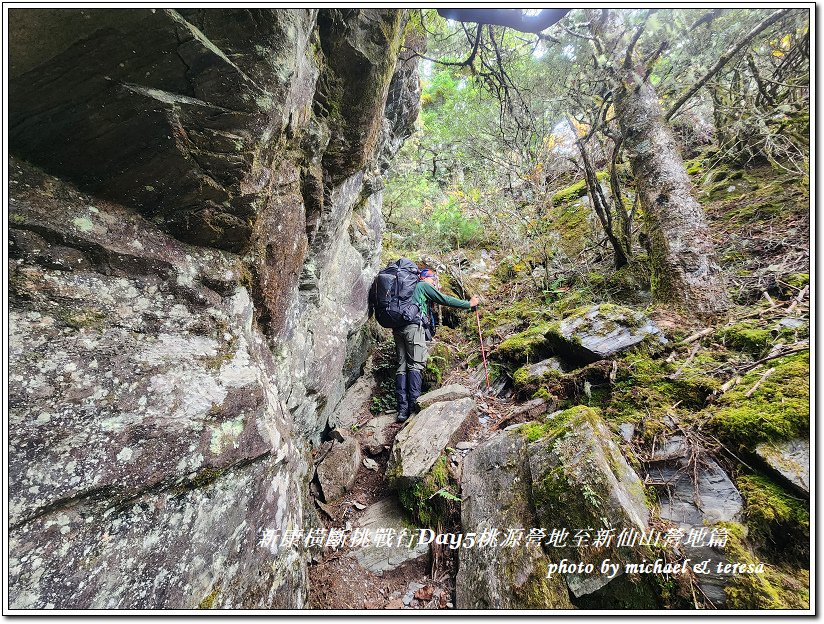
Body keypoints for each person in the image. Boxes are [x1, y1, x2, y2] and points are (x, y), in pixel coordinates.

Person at [392, 268, 479, 423]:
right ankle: (414, 406)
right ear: (425, 278)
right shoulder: (422, 286)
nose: (434, 282)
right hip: (413, 327)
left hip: (398, 328)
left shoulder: (406, 289)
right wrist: (469, 304)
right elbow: (444, 299)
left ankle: (402, 410)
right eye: (433, 279)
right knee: (415, 365)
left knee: (401, 366)